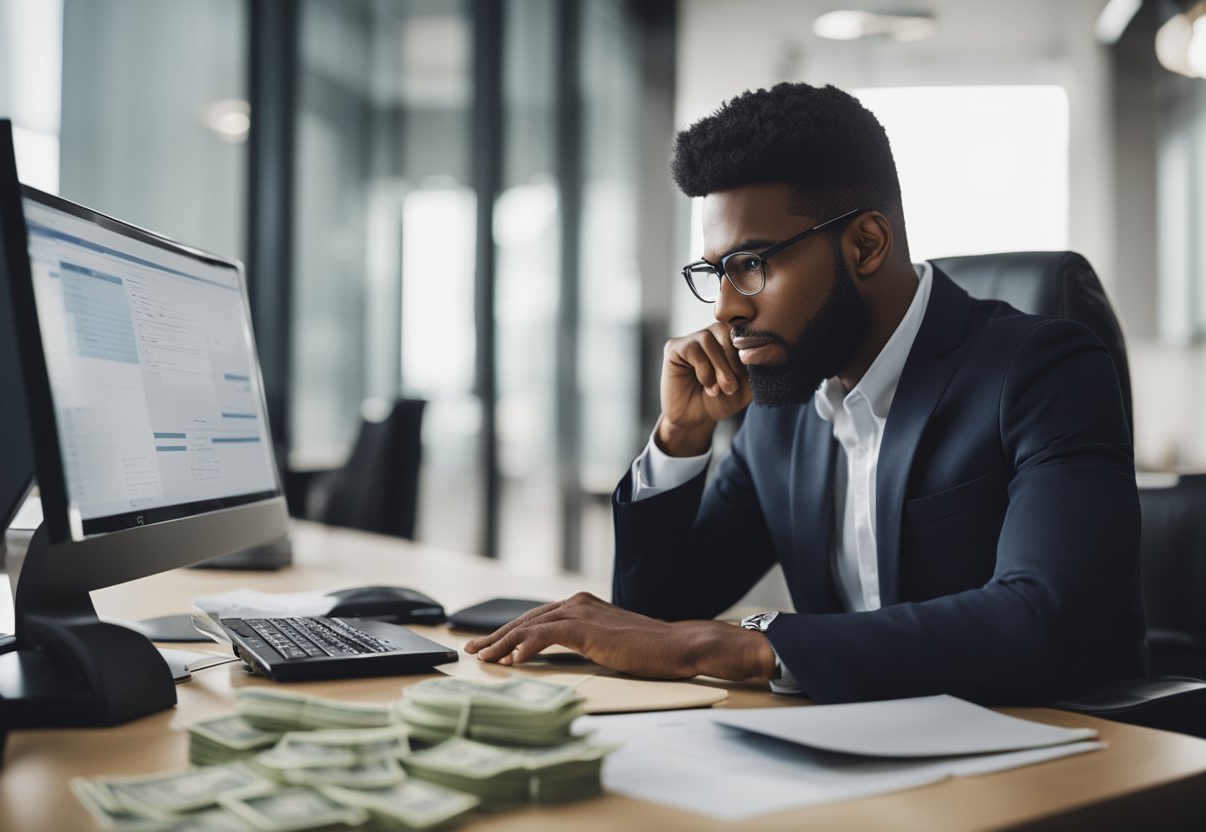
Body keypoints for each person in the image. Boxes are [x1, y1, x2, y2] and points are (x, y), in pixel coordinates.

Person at [465, 82, 1146, 703]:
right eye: (715, 272)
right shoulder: (781, 413)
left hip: (1052, 747)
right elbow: (656, 621)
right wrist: (681, 439)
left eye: (752, 265)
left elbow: (1044, 618)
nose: (726, 309)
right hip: (853, 747)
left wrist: (736, 644)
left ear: (866, 244)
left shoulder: (1043, 370)